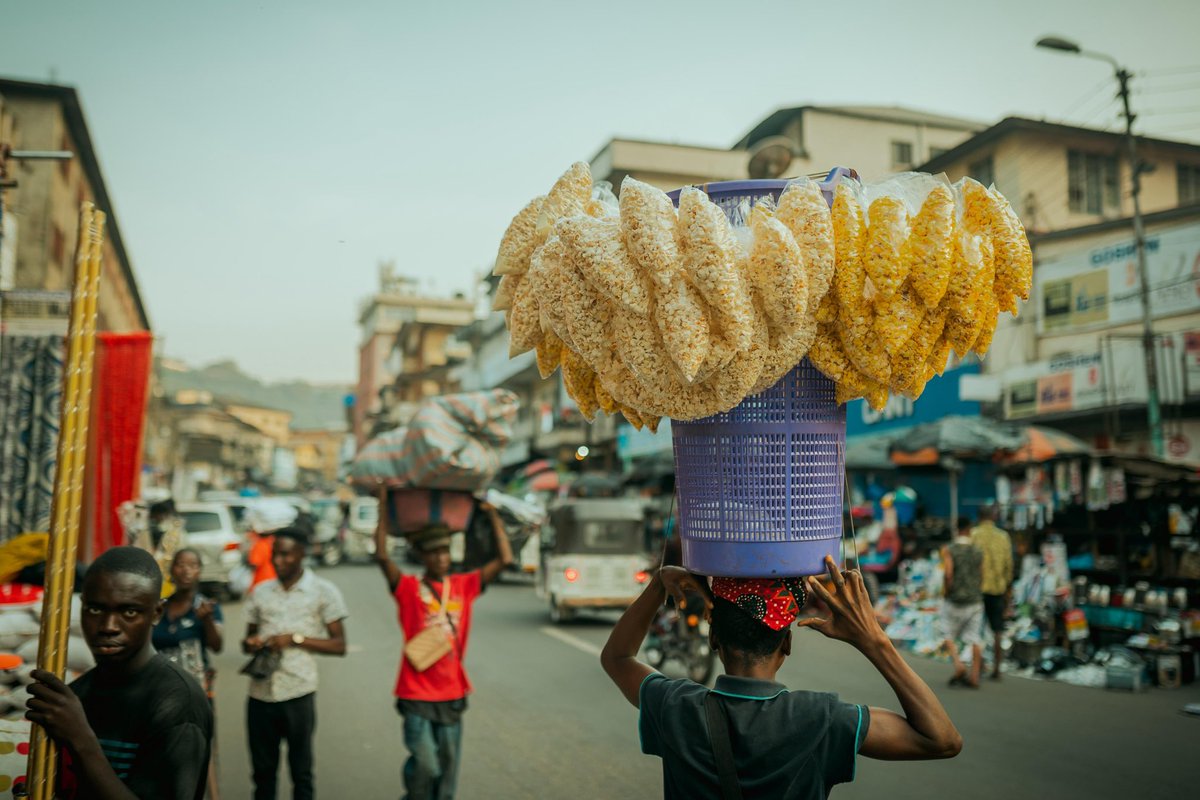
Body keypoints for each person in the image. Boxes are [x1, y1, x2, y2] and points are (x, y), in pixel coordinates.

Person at [601, 556, 961, 799]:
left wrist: (658, 585)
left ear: (713, 640)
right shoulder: (822, 718)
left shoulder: (675, 706)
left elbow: (617, 657)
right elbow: (942, 740)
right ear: (786, 643)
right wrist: (875, 641)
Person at [24, 546, 213, 799]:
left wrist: (82, 740)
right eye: (95, 610)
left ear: (156, 613)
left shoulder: (177, 703)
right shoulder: (78, 695)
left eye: (129, 612)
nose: (108, 627)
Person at [373, 496, 514, 800]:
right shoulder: (408, 588)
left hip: (452, 693)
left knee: (447, 777)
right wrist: (384, 503)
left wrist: (493, 518)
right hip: (414, 692)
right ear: (421, 557)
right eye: (433, 553)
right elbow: (382, 556)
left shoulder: (464, 585)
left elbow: (504, 560)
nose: (440, 559)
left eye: (445, 552)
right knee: (427, 766)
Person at [242, 526, 348, 800]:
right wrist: (252, 643)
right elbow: (247, 640)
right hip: (260, 695)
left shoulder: (324, 591)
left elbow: (339, 645)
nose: (278, 561)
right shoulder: (261, 592)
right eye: (276, 554)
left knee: (301, 772)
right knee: (262, 774)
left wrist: (295, 639)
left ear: (303, 554)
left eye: (286, 555)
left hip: (298, 693)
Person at [941, 518, 986, 688]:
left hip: (954, 600)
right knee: (975, 637)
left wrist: (947, 591)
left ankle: (959, 665)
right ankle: (974, 676)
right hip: (975, 600)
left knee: (948, 634)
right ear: (970, 529)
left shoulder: (950, 549)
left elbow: (948, 573)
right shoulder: (978, 551)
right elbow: (982, 574)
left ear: (957, 529)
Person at [971, 504, 1013, 680]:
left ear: (979, 517)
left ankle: (978, 667)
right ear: (993, 517)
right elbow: (1009, 565)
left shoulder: (973, 535)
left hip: (977, 589)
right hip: (997, 588)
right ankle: (997, 667)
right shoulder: (1003, 536)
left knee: (977, 631)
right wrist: (1008, 590)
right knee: (997, 629)